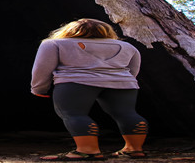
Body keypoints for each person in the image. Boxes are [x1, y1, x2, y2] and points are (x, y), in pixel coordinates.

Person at [31, 18, 148, 161]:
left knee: (74, 114)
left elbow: (42, 69)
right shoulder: (127, 46)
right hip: (123, 83)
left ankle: (88, 150)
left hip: (75, 82)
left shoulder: (53, 43)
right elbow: (133, 69)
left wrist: (39, 88)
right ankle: (134, 149)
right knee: (126, 113)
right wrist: (121, 81)